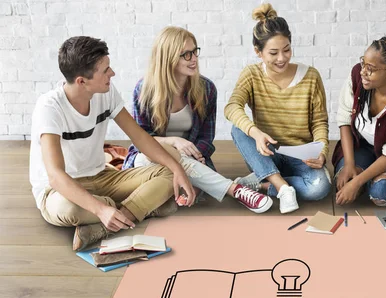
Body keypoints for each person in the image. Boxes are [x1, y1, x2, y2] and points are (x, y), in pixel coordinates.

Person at [29, 36, 195, 252]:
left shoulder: (105, 93)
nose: (112, 73)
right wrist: (100, 208)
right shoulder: (49, 108)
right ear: (82, 81)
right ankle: (137, 207)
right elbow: (56, 176)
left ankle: (108, 223)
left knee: (170, 172)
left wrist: (177, 168)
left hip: (103, 177)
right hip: (59, 189)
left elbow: (140, 137)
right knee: (67, 208)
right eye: (105, 70)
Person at [123, 27, 272, 214]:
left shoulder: (207, 89)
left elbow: (206, 138)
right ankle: (235, 190)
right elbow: (140, 139)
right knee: (149, 160)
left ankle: (168, 195)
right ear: (167, 58)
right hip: (150, 158)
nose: (193, 58)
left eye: (194, 51)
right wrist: (174, 141)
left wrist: (196, 155)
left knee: (182, 195)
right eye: (186, 54)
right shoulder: (144, 90)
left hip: (193, 161)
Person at [224, 3, 331, 214]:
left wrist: (322, 152)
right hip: (267, 153)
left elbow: (320, 122)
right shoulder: (252, 75)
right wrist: (255, 133)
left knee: (320, 188)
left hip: (300, 155)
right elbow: (232, 107)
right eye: (273, 53)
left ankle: (262, 183)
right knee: (238, 129)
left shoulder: (311, 76)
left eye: (287, 50)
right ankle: (282, 188)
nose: (282, 58)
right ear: (258, 52)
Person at [333, 36, 386, 206]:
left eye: (370, 68)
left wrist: (357, 182)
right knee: (341, 182)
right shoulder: (357, 78)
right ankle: (366, 172)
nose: (362, 71)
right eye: (363, 63)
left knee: (380, 195)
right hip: (363, 146)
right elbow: (344, 119)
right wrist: (350, 165)